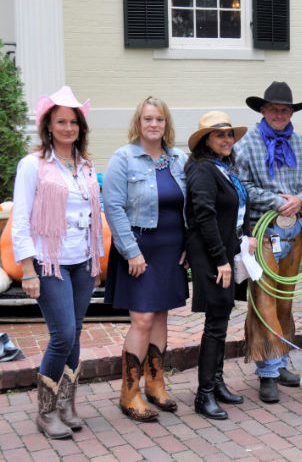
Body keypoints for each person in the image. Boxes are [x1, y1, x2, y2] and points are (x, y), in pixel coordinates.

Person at [11, 86, 103, 439]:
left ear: (81, 128)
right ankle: (46, 411)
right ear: (48, 126)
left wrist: (95, 261)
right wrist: (27, 269)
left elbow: (95, 216)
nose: (68, 128)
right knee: (62, 334)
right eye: (60, 122)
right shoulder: (33, 165)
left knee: (76, 332)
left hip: (81, 263)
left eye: (73, 122)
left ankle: (67, 403)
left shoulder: (85, 166)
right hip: (50, 263)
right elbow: (20, 220)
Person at [103, 96, 188, 422]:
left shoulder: (178, 158)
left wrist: (188, 244)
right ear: (138, 123)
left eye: (160, 120)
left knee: (161, 317)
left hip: (170, 249)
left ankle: (155, 384)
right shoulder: (123, 158)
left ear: (167, 125)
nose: (154, 125)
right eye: (148, 119)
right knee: (141, 319)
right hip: (138, 248)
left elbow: (189, 204)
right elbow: (113, 207)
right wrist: (131, 252)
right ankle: (129, 392)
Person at [234, 81, 302, 404]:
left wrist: (301, 200)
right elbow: (243, 187)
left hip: (294, 234)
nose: (279, 114)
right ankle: (268, 372)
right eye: (273, 109)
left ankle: (279, 363)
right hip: (261, 233)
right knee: (265, 300)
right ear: (262, 111)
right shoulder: (246, 145)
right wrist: (277, 200)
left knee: (285, 300)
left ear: (291, 113)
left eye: (285, 110)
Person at [185, 111, 253, 420]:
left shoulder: (225, 168)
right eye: (219, 135)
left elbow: (237, 208)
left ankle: (217, 382)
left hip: (230, 249)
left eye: (229, 135)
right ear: (205, 141)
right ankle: (205, 394)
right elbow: (204, 216)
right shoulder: (203, 170)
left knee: (222, 320)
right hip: (213, 255)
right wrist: (221, 260)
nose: (227, 140)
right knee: (215, 324)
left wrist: (247, 235)